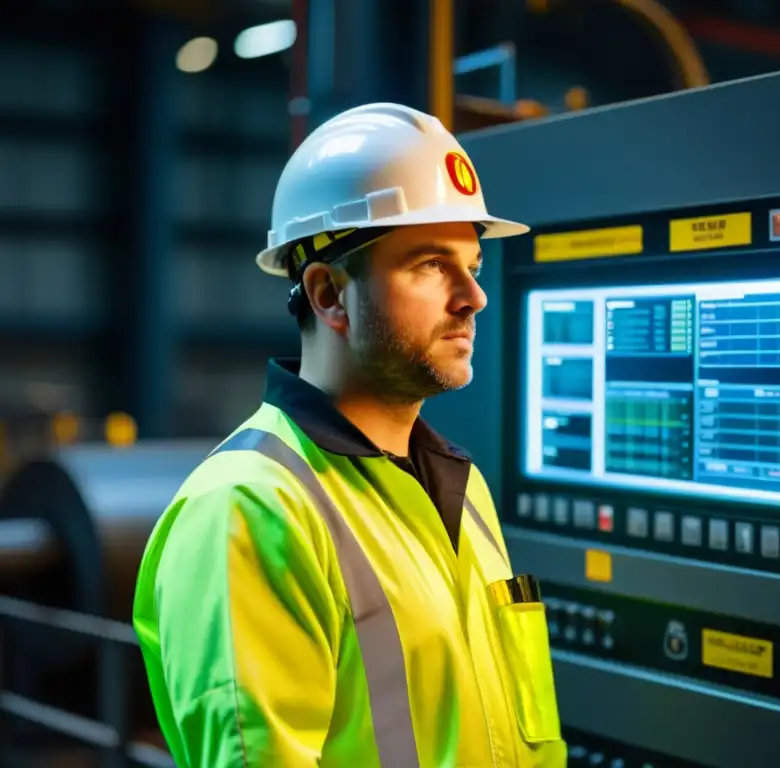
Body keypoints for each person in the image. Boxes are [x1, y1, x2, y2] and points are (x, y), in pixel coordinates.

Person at [132, 103, 567, 767]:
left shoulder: (460, 485)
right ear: (330, 294)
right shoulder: (251, 509)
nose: (473, 296)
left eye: (472, 264)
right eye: (430, 264)